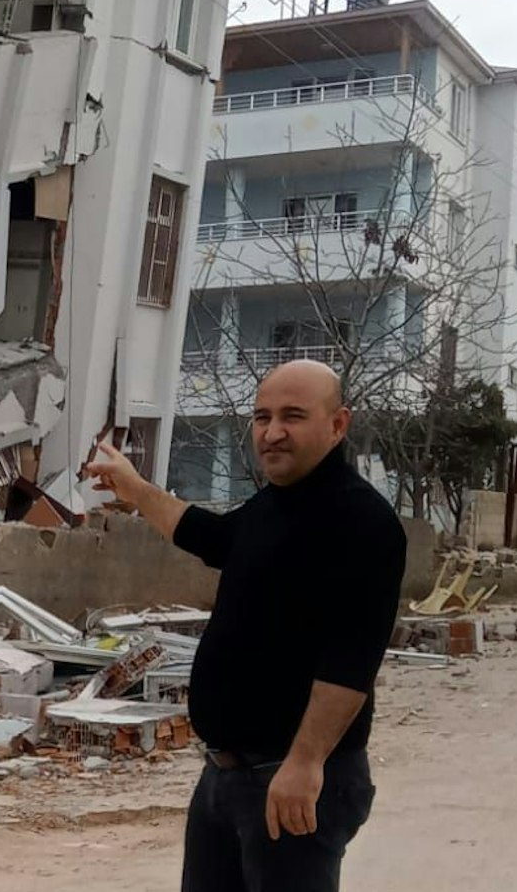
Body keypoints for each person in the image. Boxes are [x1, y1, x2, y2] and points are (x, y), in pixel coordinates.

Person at [84, 359, 406, 892]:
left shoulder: (360, 521)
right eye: (262, 416)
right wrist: (137, 490)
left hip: (290, 778)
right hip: (227, 777)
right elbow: (210, 536)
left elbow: (352, 661)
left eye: (293, 416)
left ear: (338, 424)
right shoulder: (274, 506)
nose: (272, 432)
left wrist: (304, 764)